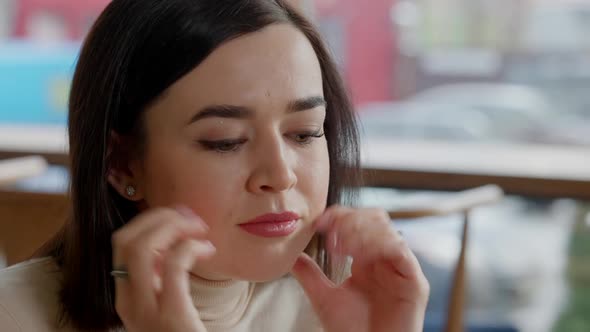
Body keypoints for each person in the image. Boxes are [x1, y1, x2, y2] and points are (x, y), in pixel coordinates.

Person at [0, 0, 429, 331]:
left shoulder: (340, 305)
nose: (280, 175)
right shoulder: (14, 315)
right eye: (225, 141)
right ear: (123, 164)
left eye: (304, 133)